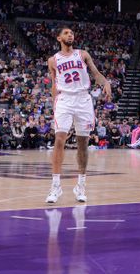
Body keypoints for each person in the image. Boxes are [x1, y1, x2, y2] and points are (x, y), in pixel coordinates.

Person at [46, 26, 112, 203]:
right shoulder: (53, 60)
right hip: (64, 99)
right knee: (59, 139)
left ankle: (80, 185)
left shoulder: (82, 54)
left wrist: (105, 82)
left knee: (83, 143)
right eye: (66, 33)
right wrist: (54, 103)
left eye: (72, 33)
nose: (70, 35)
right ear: (59, 38)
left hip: (83, 99)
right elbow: (54, 83)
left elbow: (95, 73)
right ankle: (55, 186)